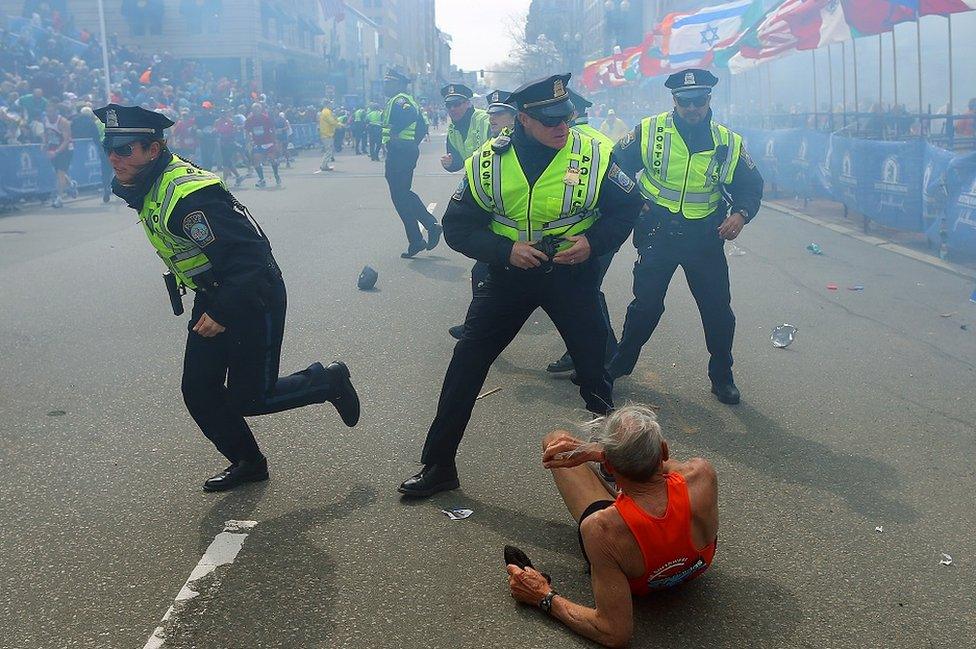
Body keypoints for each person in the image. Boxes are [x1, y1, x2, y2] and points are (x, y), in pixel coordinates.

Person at [398, 74, 644, 498]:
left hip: (571, 277)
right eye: (550, 120)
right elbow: (457, 227)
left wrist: (594, 243)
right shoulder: (488, 161)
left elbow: (628, 206)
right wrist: (503, 250)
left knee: (594, 375)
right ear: (523, 120)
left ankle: (618, 466)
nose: (562, 126)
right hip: (508, 278)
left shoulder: (593, 153)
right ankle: (438, 465)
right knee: (466, 365)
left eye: (566, 117)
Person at [94, 103, 361, 492]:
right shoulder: (149, 178)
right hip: (217, 290)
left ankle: (328, 381)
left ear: (153, 150)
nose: (115, 158)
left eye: (126, 150)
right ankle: (248, 462)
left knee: (250, 398)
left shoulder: (189, 196)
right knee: (199, 390)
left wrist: (222, 310)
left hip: (252, 294)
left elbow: (252, 258)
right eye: (110, 150)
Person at [607, 69, 764, 405]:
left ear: (708, 100)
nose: (693, 107)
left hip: (704, 238)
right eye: (685, 101)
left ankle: (722, 375)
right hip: (657, 233)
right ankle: (620, 363)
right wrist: (634, 199)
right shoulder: (649, 131)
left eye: (699, 101)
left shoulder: (728, 141)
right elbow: (614, 163)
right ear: (674, 100)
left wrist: (740, 214)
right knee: (646, 306)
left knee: (717, 310)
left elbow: (751, 186)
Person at [506, 405, 718, 648]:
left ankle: (621, 489)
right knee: (643, 491)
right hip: (695, 566)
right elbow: (666, 465)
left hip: (637, 576)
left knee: (554, 440)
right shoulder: (702, 473)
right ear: (664, 449)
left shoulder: (601, 528)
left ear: (608, 466)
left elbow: (614, 632)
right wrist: (603, 454)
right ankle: (623, 488)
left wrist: (543, 596)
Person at [546, 90, 623, 374]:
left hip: (592, 233)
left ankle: (596, 355)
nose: (556, 125)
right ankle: (599, 352)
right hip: (597, 232)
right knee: (584, 292)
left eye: (560, 117)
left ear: (572, 114)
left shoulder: (585, 144)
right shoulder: (597, 139)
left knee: (583, 293)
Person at [447, 89, 516, 340]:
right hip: (504, 228)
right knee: (484, 274)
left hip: (528, 231)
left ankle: (602, 352)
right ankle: (476, 329)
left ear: (515, 117)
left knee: (569, 303)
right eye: (491, 113)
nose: (492, 118)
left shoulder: (515, 145)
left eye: (499, 113)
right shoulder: (495, 144)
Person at [381, 69, 441, 258]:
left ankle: (428, 227)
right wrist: (410, 143)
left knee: (401, 195)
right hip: (401, 151)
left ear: (398, 84)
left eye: (388, 82)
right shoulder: (401, 99)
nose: (385, 86)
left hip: (400, 152)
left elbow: (413, 116)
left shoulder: (400, 100)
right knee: (401, 196)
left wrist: (397, 138)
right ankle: (417, 239)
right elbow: (422, 125)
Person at [440, 83, 490, 173]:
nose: (452, 109)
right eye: (448, 105)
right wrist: (449, 163)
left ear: (468, 104)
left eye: (456, 104)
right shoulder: (452, 129)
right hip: (475, 177)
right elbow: (458, 161)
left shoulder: (486, 120)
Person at [42, 102, 74, 208]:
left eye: (51, 111)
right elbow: (46, 134)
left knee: (60, 173)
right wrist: (45, 145)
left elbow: (66, 140)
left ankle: (59, 198)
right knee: (59, 173)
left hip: (65, 149)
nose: (49, 114)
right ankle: (72, 184)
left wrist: (56, 152)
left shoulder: (63, 122)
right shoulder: (45, 120)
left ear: (57, 112)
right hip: (53, 147)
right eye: (47, 112)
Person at [244, 102, 281, 188]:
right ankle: (262, 179)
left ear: (261, 110)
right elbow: (246, 131)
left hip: (268, 142)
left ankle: (276, 174)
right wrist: (248, 142)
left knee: (272, 159)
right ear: (252, 110)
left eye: (258, 109)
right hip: (258, 143)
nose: (256, 111)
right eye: (254, 109)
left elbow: (273, 129)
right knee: (256, 161)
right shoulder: (249, 120)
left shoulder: (266, 118)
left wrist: (275, 141)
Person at [215, 108, 244, 187]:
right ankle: (238, 176)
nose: (223, 115)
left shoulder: (230, 122)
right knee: (228, 161)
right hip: (222, 144)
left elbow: (234, 132)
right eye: (222, 113)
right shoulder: (217, 122)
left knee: (226, 162)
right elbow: (216, 131)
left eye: (224, 113)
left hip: (230, 143)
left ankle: (224, 180)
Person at [318, 101, 340, 172]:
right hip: (327, 134)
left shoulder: (326, 111)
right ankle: (323, 165)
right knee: (329, 150)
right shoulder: (327, 112)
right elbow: (332, 122)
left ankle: (325, 165)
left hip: (327, 133)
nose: (332, 105)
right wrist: (339, 125)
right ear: (327, 104)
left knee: (329, 150)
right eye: (331, 104)